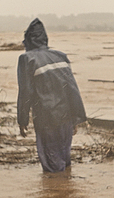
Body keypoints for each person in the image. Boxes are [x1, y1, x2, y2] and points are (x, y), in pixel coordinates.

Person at [17, 18, 87, 174]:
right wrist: (76, 118)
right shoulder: (60, 56)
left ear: (27, 41)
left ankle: (57, 195)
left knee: (52, 165)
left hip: (46, 119)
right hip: (66, 117)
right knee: (65, 160)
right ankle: (66, 194)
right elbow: (72, 88)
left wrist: (22, 120)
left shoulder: (26, 59)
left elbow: (25, 92)